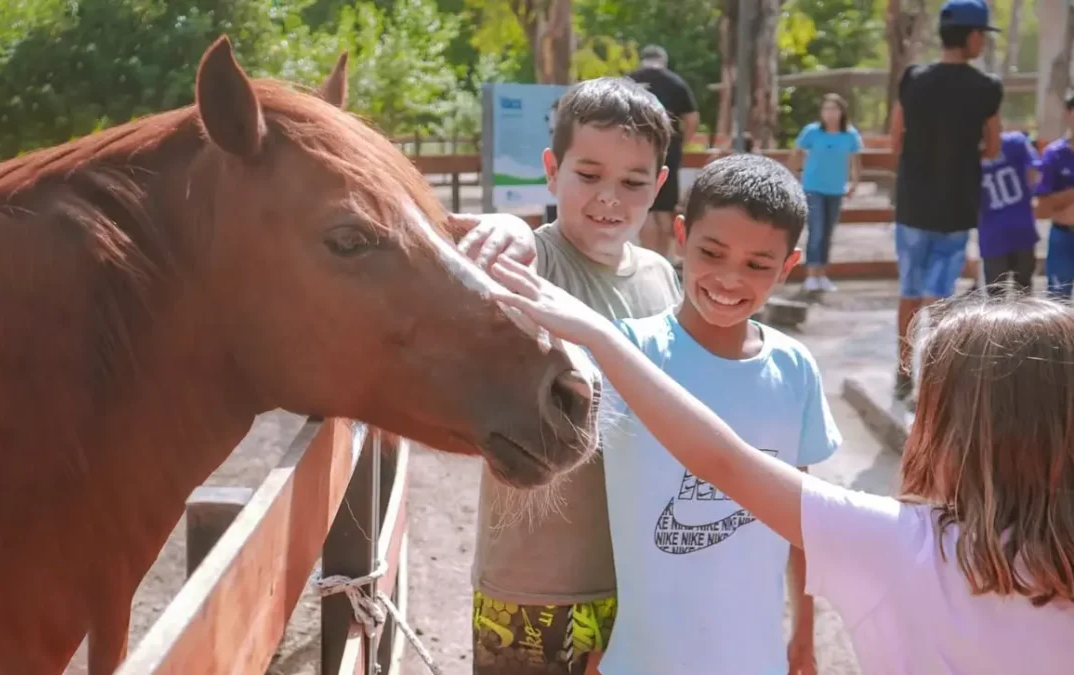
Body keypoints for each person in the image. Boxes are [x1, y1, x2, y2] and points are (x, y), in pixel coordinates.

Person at [489, 249, 1074, 675]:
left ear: (957, 430)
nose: (917, 421)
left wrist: (601, 337)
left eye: (928, 405)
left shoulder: (898, 545)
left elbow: (722, 461)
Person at [509, 153, 840, 674]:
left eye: (757, 264)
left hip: (756, 661)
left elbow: (802, 521)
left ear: (788, 266)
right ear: (681, 237)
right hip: (641, 661)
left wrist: (803, 635)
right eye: (713, 252)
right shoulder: (624, 352)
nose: (730, 279)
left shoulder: (795, 368)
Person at [456, 76, 682, 675]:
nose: (610, 197)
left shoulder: (662, 277)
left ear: (658, 186)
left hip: (635, 580)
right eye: (588, 175)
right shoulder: (529, 263)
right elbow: (491, 257)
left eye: (633, 182)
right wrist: (503, 227)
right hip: (531, 583)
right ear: (552, 170)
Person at [888, 0, 1002, 401]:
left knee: (909, 291)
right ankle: (932, 381)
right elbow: (992, 148)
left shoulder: (913, 78)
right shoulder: (987, 88)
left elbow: (895, 136)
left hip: (912, 204)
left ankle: (903, 372)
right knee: (939, 297)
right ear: (972, 36)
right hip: (955, 208)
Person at [628, 45, 699, 262]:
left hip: (634, 150)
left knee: (646, 207)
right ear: (663, 61)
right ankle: (664, 261)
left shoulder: (629, 81)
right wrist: (680, 143)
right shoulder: (676, 83)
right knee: (665, 208)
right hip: (668, 150)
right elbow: (692, 119)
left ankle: (649, 260)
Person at [790, 93, 863, 294]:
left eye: (834, 109)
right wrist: (794, 176)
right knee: (816, 231)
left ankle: (822, 274)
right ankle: (811, 275)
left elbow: (855, 160)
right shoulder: (812, 132)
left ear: (842, 112)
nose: (830, 113)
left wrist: (855, 183)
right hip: (813, 188)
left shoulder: (850, 135)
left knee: (828, 233)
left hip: (835, 190)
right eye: (826, 109)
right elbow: (796, 153)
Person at [977, 130, 1039, 294]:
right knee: (1024, 293)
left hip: (993, 232)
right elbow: (1034, 175)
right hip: (1020, 225)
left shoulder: (965, 153)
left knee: (996, 298)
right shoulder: (1017, 142)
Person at [1032, 93, 1074, 302]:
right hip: (1063, 237)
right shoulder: (1054, 154)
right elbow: (1041, 209)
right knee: (1058, 304)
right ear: (1068, 114)